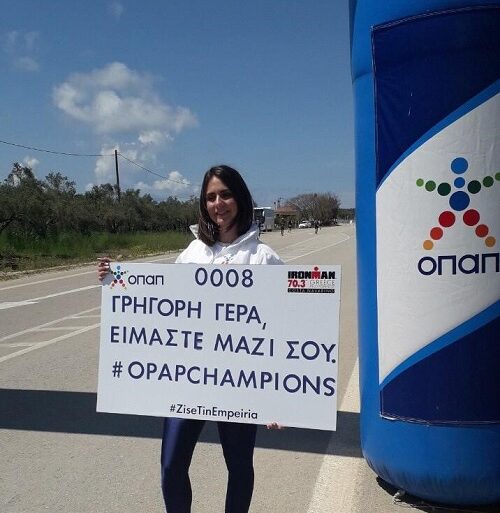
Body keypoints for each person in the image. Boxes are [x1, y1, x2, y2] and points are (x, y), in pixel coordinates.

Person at [98, 164, 283, 513]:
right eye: (210, 197)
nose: (218, 203)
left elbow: (283, 329)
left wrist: (277, 398)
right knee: (171, 466)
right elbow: (162, 307)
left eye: (225, 194)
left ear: (240, 198)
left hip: (239, 381)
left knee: (239, 467)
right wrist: (117, 279)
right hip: (188, 379)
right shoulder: (192, 253)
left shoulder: (264, 258)